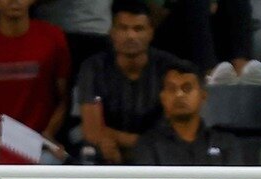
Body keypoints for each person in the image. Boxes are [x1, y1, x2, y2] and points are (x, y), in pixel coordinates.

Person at [0, 0, 70, 165]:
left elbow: (63, 99)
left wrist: (49, 132)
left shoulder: (54, 38)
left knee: (48, 164)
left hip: (40, 143)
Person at [73, 0, 182, 164]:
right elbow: (93, 131)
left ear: (151, 32)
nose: (131, 36)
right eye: (123, 28)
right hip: (109, 151)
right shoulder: (93, 67)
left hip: (158, 155)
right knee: (89, 150)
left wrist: (120, 140)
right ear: (112, 32)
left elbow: (174, 132)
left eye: (138, 29)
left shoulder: (170, 68)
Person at [130, 61, 242, 165]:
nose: (179, 94)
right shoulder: (148, 145)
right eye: (172, 89)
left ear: (203, 96)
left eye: (187, 88)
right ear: (163, 98)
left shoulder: (225, 143)